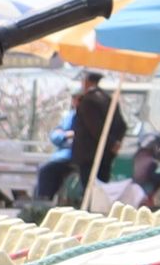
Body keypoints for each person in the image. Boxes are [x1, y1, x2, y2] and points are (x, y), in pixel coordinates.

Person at [40, 71, 120, 205]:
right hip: (66, 152)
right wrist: (66, 135)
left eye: (79, 98)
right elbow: (55, 135)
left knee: (48, 170)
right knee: (47, 169)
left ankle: (47, 200)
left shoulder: (93, 113)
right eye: (75, 98)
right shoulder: (70, 116)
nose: (77, 101)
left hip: (81, 154)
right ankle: (45, 200)